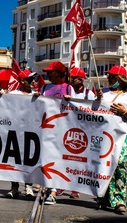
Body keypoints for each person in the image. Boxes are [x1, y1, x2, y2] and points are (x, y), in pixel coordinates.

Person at [95, 65, 127, 214]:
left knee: (120, 165)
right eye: (109, 76)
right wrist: (97, 99)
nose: (109, 78)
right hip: (105, 135)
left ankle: (120, 199)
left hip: (122, 135)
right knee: (104, 165)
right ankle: (105, 197)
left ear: (120, 79)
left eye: (112, 76)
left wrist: (124, 111)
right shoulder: (104, 94)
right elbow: (94, 113)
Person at [37, 61, 75, 205]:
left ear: (59, 73)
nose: (48, 74)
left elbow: (74, 107)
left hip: (61, 130)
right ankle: (48, 186)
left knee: (57, 160)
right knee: (46, 160)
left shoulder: (68, 88)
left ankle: (53, 191)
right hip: (45, 129)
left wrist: (70, 101)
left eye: (51, 71)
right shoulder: (44, 87)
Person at [5, 69, 37, 199]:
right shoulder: (13, 94)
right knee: (14, 160)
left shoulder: (36, 95)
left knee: (29, 160)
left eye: (33, 79)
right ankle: (14, 187)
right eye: (30, 79)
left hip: (31, 132)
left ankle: (28, 186)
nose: (32, 82)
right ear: (22, 81)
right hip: (15, 132)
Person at [68, 67, 96, 198]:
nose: (72, 80)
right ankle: (64, 185)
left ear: (81, 80)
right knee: (66, 159)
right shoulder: (68, 90)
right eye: (71, 78)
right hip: (68, 128)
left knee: (80, 161)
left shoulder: (88, 94)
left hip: (83, 130)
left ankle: (76, 188)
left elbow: (94, 110)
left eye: (74, 78)